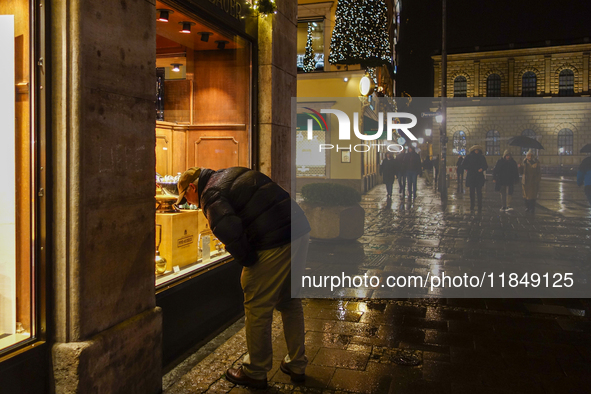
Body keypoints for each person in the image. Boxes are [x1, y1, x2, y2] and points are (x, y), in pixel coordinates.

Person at [176, 167, 311, 389]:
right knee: (289, 300)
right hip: (298, 229)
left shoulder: (210, 194)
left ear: (192, 186)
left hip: (274, 240)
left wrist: (249, 260)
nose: (189, 203)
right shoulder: (228, 174)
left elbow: (229, 230)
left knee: (257, 307)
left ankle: (255, 371)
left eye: (186, 197)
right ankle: (297, 364)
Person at [463, 145, 488, 211]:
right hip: (472, 176)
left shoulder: (481, 157)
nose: (476, 151)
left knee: (479, 191)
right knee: (472, 192)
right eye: (475, 150)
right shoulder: (469, 157)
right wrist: (470, 168)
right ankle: (472, 205)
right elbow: (463, 165)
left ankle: (479, 205)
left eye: (477, 150)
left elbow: (485, 165)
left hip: (478, 176)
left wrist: (482, 169)